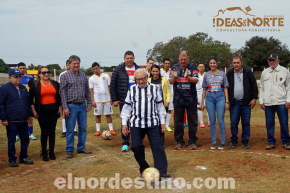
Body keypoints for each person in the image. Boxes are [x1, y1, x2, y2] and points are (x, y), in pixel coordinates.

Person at [121, 68, 170, 179]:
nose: (141, 81)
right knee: (135, 147)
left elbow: (159, 106)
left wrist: (162, 122)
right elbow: (126, 109)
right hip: (136, 124)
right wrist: (124, 124)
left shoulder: (154, 89)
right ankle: (144, 169)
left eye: (142, 78)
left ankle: (161, 172)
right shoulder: (131, 90)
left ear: (147, 77)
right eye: (138, 79)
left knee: (158, 147)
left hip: (152, 123)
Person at [60, 55, 92, 158]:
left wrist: (89, 103)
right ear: (70, 64)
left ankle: (81, 147)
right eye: (74, 63)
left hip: (82, 106)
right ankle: (69, 149)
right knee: (70, 130)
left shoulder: (83, 75)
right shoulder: (65, 76)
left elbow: (87, 90)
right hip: (71, 106)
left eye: (78, 63)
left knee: (82, 128)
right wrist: (65, 107)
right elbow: (63, 93)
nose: (76, 65)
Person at [0, 69, 34, 167]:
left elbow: (27, 103)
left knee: (25, 139)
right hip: (11, 120)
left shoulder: (23, 89)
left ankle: (23, 157)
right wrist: (3, 118)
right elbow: (1, 105)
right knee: (12, 140)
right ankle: (12, 159)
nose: (19, 78)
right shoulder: (4, 89)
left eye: (20, 76)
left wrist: (29, 115)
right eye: (16, 76)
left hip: (23, 119)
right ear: (10, 77)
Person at [29, 66, 62, 161]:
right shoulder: (35, 85)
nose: (46, 74)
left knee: (52, 131)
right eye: (44, 72)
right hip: (42, 111)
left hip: (53, 110)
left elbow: (58, 98)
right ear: (39, 74)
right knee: (44, 132)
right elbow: (30, 100)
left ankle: (51, 151)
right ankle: (44, 153)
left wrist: (60, 108)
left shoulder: (54, 83)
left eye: (48, 72)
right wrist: (34, 111)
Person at [110, 51, 140, 152]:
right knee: (125, 121)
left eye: (131, 58)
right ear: (124, 59)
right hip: (123, 99)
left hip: (137, 100)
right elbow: (113, 85)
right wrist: (114, 99)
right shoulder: (118, 69)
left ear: (134, 58)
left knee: (136, 121)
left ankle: (136, 142)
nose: (129, 60)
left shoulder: (139, 69)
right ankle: (125, 143)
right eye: (127, 58)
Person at [169, 51, 199, 150]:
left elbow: (195, 80)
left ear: (188, 58)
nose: (183, 61)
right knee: (178, 121)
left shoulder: (193, 67)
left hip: (191, 99)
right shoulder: (174, 67)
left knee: (192, 121)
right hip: (178, 99)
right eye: (181, 59)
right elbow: (171, 81)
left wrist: (187, 77)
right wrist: (174, 77)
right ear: (179, 58)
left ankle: (192, 141)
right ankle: (179, 141)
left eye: (185, 59)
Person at [259, 54, 290, 150]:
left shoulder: (285, 71)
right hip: (268, 102)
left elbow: (289, 87)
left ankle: (286, 142)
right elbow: (261, 87)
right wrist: (261, 101)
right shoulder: (265, 72)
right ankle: (271, 142)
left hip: (281, 102)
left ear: (278, 61)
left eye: (273, 60)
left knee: (284, 122)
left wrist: (288, 100)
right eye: (270, 60)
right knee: (269, 123)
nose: (271, 62)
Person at [226, 56, 258, 149]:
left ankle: (245, 141)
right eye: (234, 63)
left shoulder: (248, 72)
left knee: (246, 122)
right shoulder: (229, 73)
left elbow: (254, 86)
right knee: (234, 123)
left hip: (246, 103)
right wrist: (227, 101)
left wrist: (254, 98)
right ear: (232, 63)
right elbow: (225, 88)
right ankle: (234, 141)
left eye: (238, 62)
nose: (236, 64)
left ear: (241, 63)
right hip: (234, 103)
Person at [201, 56, 229, 150]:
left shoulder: (222, 73)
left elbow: (225, 88)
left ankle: (223, 142)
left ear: (216, 64)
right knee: (212, 121)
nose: (212, 64)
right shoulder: (206, 75)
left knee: (220, 120)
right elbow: (204, 89)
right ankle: (214, 142)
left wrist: (227, 101)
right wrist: (202, 103)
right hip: (209, 98)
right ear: (209, 65)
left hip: (220, 97)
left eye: (214, 63)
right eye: (210, 63)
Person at [89, 62, 116, 136]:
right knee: (98, 115)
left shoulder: (106, 75)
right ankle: (98, 130)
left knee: (108, 114)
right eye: (94, 69)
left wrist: (111, 98)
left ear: (99, 67)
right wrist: (92, 101)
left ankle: (111, 129)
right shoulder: (91, 78)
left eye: (96, 68)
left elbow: (109, 87)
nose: (95, 70)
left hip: (107, 99)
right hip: (97, 100)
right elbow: (91, 90)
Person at [148, 64, 171, 146]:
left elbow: (168, 91)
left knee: (161, 123)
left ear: (159, 71)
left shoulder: (164, 80)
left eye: (157, 71)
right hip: (151, 106)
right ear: (151, 72)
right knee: (153, 124)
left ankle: (161, 142)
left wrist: (168, 100)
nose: (155, 73)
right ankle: (154, 141)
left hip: (162, 105)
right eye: (153, 71)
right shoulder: (148, 80)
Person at [59, 60, 78, 138]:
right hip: (65, 98)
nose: (70, 66)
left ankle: (74, 130)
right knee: (65, 114)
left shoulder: (77, 74)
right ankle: (64, 130)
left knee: (75, 114)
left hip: (74, 99)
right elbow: (61, 88)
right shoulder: (63, 74)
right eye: (69, 65)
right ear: (67, 65)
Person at [18, 62, 36, 140]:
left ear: (25, 68)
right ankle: (17, 135)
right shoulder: (16, 77)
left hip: (28, 100)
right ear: (18, 68)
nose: (22, 70)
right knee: (18, 117)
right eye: (20, 68)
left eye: (23, 68)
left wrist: (34, 96)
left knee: (30, 117)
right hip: (18, 100)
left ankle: (30, 134)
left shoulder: (30, 77)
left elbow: (34, 88)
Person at [160, 58, 174, 132]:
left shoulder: (172, 71)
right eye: (166, 63)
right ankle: (160, 124)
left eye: (168, 63)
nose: (167, 65)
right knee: (161, 109)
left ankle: (167, 126)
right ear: (163, 63)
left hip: (171, 92)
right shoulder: (159, 71)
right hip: (161, 93)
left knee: (169, 110)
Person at [196, 62, 210, 128]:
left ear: (204, 67)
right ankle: (201, 122)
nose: (201, 68)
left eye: (202, 66)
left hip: (207, 92)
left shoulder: (207, 74)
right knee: (199, 107)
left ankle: (209, 122)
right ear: (198, 68)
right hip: (198, 93)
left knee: (209, 107)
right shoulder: (196, 75)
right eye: (200, 67)